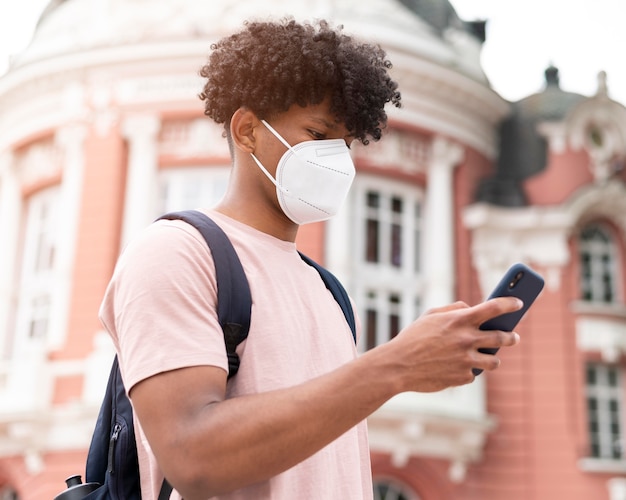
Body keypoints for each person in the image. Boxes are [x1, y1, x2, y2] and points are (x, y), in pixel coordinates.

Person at [98, 18, 521, 500]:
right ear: (248, 130)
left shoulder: (329, 293)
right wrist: (395, 365)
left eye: (344, 144)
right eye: (318, 133)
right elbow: (192, 457)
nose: (336, 159)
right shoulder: (177, 252)